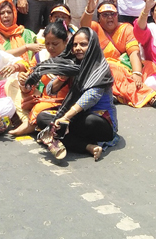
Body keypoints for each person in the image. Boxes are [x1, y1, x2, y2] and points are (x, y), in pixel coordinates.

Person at [25, 28, 118, 161]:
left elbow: (91, 97)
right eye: (75, 45)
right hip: (76, 118)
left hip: (100, 122)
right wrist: (63, 76)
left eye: (83, 44)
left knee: (88, 121)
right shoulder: (72, 64)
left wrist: (66, 117)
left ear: (92, 45)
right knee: (43, 117)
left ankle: (56, 136)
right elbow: (51, 90)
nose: (78, 48)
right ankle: (88, 147)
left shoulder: (101, 68)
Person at [81, 0, 156, 108]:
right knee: (112, 69)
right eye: (105, 15)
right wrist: (89, 11)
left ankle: (119, 94)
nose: (110, 17)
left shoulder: (126, 28)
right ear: (99, 18)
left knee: (150, 66)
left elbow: (133, 52)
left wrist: (137, 73)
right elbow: (84, 25)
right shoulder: (96, 28)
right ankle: (146, 94)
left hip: (127, 66)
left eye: (113, 14)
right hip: (107, 68)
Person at [10, 21, 71, 136]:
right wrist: (24, 82)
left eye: (55, 44)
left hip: (65, 102)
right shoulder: (41, 57)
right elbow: (29, 87)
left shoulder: (72, 59)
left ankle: (32, 124)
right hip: (44, 98)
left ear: (65, 41)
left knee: (40, 111)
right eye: (47, 44)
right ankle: (29, 121)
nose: (50, 48)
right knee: (11, 84)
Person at [0, 0, 43, 64]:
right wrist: (26, 47)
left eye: (9, 12)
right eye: (2, 13)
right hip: (5, 71)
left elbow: (40, 47)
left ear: (14, 14)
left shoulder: (25, 32)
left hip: (27, 70)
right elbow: (2, 55)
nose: (6, 15)